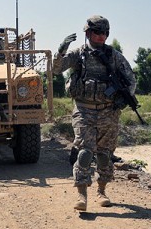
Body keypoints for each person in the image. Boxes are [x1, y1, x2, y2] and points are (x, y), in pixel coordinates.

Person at [53, 15, 136, 211]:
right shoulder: (79, 54)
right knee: (84, 153)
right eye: (97, 32)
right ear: (88, 33)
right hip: (84, 110)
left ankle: (102, 191)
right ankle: (82, 195)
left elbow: (131, 80)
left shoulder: (113, 56)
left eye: (105, 33)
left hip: (109, 112)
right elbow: (56, 69)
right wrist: (61, 50)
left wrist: (123, 99)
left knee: (105, 155)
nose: (101, 36)